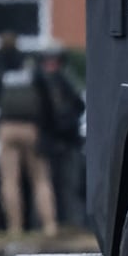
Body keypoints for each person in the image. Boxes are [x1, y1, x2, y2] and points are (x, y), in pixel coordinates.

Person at [0, 31, 58, 238]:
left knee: (10, 180)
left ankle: (15, 227)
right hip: (31, 128)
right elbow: (47, 99)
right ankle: (49, 225)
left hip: (7, 127)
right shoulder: (31, 67)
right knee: (40, 179)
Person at [36, 46, 84, 229]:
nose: (51, 65)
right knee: (49, 185)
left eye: (54, 61)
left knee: (69, 186)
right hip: (52, 142)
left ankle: (72, 223)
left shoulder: (64, 82)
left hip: (66, 141)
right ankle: (51, 223)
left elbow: (78, 106)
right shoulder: (43, 82)